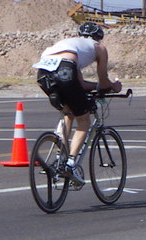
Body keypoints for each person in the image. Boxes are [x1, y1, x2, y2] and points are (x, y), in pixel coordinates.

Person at [33, 22, 121, 185]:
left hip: (43, 72)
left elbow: (78, 83)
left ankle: (60, 158)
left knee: (69, 112)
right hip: (66, 69)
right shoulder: (99, 48)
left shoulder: (72, 44)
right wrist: (114, 86)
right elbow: (103, 80)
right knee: (84, 120)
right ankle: (71, 164)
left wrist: (95, 87)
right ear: (98, 38)